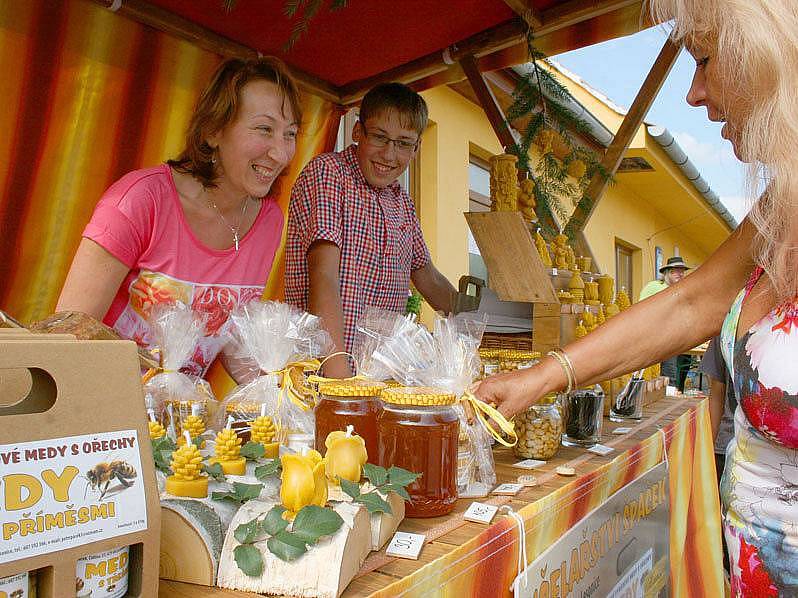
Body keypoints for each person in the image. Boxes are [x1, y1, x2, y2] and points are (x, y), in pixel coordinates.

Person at [477, 0, 798, 594]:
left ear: (769, 49)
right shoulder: (782, 209)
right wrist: (540, 378)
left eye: (703, 60)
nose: (693, 94)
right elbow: (691, 304)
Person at [57, 57, 301, 377]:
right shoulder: (140, 200)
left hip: (184, 420)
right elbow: (65, 336)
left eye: (290, 134)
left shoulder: (269, 221)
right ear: (214, 130)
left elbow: (226, 328)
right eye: (264, 129)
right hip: (107, 409)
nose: (281, 153)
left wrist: (277, 388)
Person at [285, 82, 456, 377]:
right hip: (320, 373)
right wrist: (337, 377)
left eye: (403, 143)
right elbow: (323, 274)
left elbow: (427, 276)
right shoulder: (329, 173)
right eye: (380, 137)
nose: (389, 155)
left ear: (416, 148)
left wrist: (486, 320)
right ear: (357, 132)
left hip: (376, 379)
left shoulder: (402, 202)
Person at [639, 256, 693, 389]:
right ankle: (670, 394)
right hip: (661, 336)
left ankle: (677, 392)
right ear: (666, 273)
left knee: (686, 363)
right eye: (675, 271)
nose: (680, 274)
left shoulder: (683, 290)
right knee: (670, 372)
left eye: (682, 271)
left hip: (681, 336)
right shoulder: (654, 287)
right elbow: (640, 310)